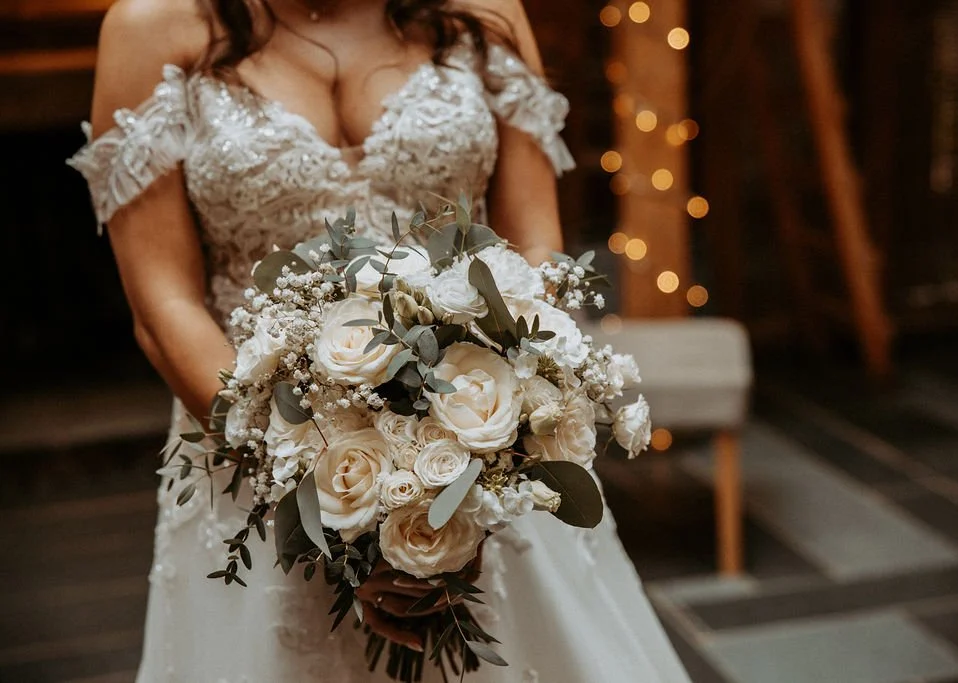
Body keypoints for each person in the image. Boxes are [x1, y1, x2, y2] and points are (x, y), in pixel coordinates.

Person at [69, 0, 691, 680]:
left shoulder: (484, 13)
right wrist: (327, 498)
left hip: (476, 436)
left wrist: (485, 456)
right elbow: (165, 306)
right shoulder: (153, 28)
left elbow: (534, 244)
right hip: (252, 449)